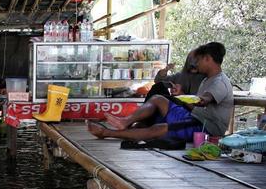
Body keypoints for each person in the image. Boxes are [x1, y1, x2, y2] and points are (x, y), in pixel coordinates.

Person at [88, 42, 233, 142]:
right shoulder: (207, 79)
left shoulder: (219, 82)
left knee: (159, 128)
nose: (197, 64)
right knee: (158, 98)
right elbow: (197, 107)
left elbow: (204, 100)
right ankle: (125, 121)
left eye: (200, 60)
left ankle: (107, 133)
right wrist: (181, 96)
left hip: (206, 128)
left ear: (208, 59)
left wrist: (190, 98)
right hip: (195, 117)